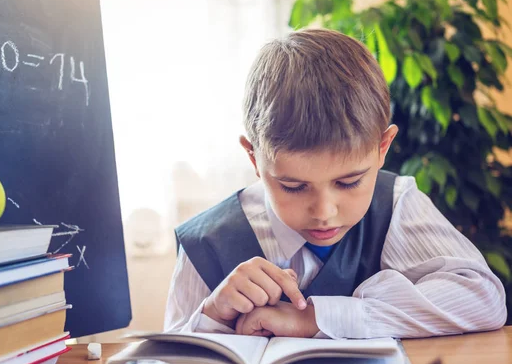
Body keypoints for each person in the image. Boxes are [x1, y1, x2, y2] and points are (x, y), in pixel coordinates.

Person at [164, 28, 507, 339]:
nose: (324, 213)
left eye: (349, 181)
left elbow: (484, 298)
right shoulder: (204, 244)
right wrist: (211, 316)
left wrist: (317, 319)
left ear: (382, 148)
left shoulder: (397, 202)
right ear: (254, 159)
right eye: (294, 187)